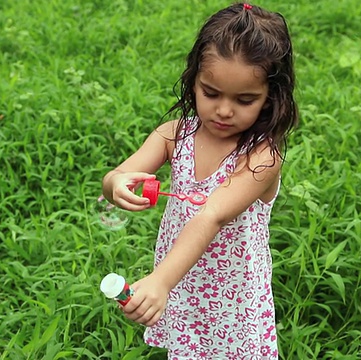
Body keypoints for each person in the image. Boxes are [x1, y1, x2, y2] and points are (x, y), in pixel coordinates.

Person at [101, 3, 298, 359]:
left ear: (272, 96)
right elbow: (119, 174)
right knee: (189, 347)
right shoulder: (174, 136)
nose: (224, 110)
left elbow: (212, 215)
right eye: (211, 93)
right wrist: (115, 184)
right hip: (184, 276)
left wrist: (160, 282)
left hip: (232, 293)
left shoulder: (261, 157)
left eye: (245, 100)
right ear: (193, 80)